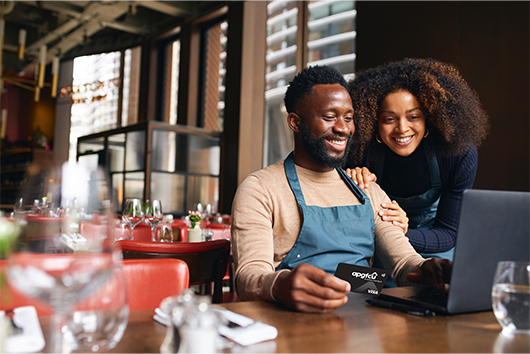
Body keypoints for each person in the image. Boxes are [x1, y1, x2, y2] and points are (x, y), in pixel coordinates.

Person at [231, 65, 452, 313]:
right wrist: (281, 283)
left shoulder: (366, 189)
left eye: (348, 118)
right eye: (329, 117)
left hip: (363, 327)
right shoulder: (261, 189)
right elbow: (248, 277)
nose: (343, 128)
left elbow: (403, 265)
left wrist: (427, 271)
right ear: (295, 122)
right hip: (289, 324)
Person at [345, 58, 489, 266]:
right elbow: (347, 232)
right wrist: (352, 182)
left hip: (435, 250)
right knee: (363, 288)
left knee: (436, 289)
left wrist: (402, 231)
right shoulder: (359, 154)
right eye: (389, 119)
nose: (402, 128)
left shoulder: (458, 154)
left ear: (429, 117)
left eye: (413, 117)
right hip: (381, 251)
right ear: (373, 122)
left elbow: (449, 233)